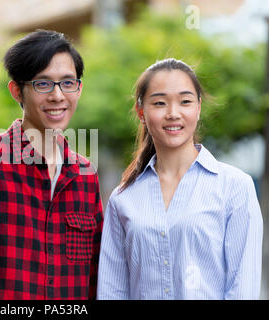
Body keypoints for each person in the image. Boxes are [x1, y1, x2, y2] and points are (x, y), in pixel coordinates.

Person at [0, 30, 103, 300]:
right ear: (17, 90)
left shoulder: (85, 176)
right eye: (42, 84)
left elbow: (94, 279)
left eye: (67, 83)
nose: (57, 96)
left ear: (79, 88)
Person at [97, 58, 263, 300]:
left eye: (185, 101)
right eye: (160, 103)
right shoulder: (123, 198)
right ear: (141, 112)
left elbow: (243, 288)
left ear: (198, 108)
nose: (173, 113)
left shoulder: (235, 187)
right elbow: (112, 291)